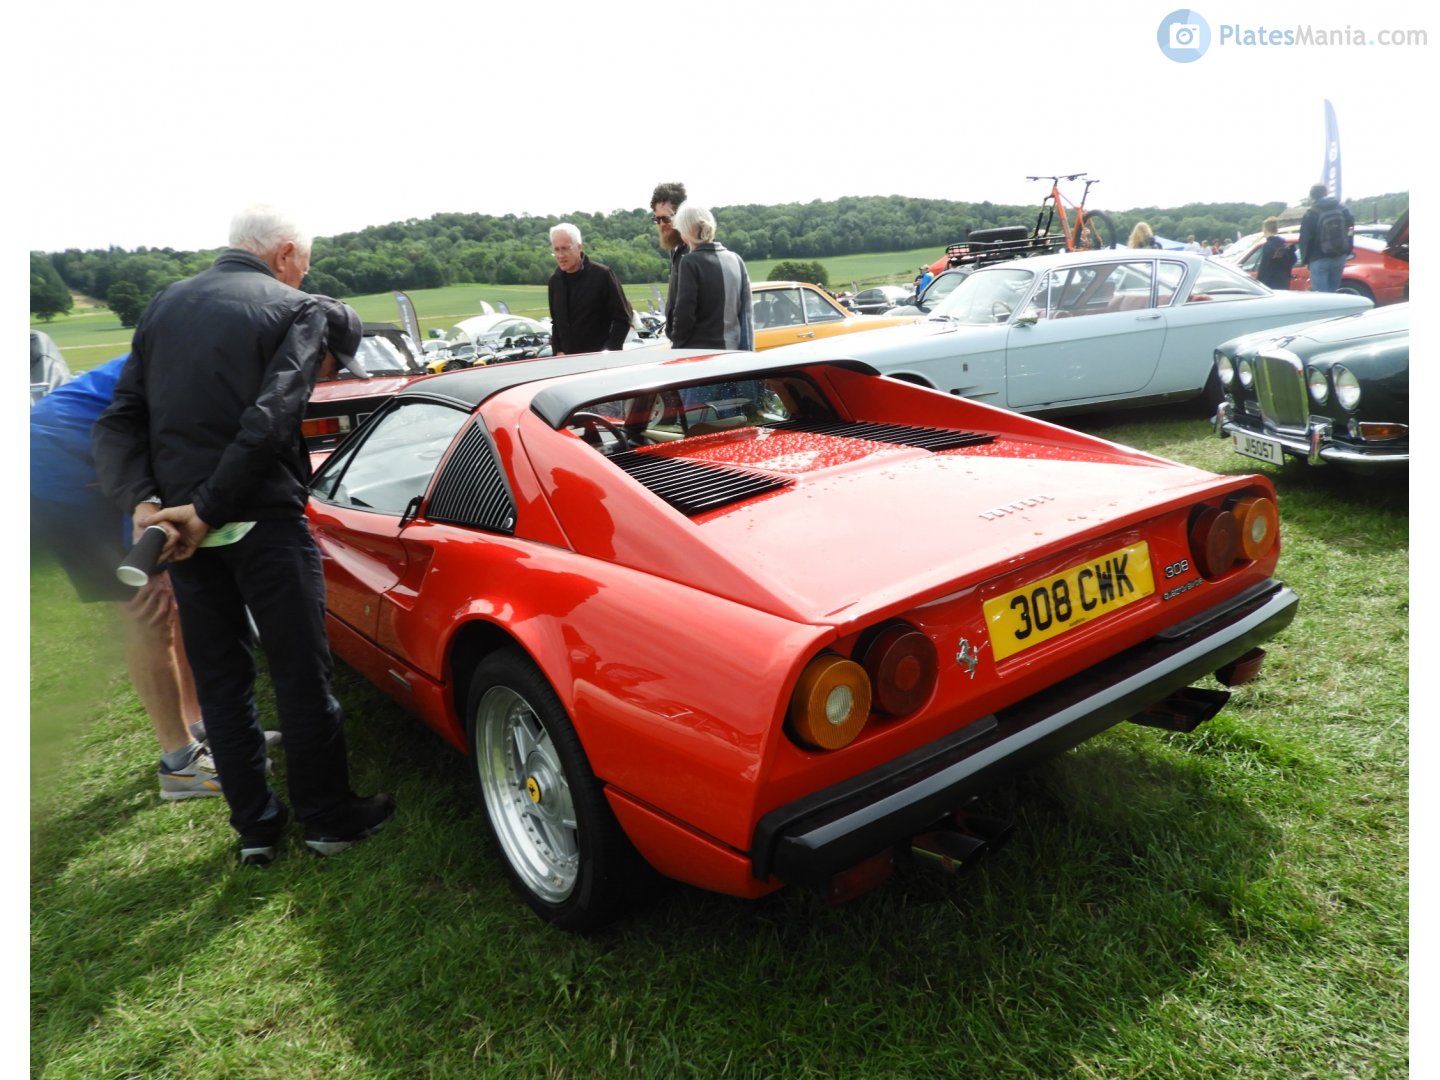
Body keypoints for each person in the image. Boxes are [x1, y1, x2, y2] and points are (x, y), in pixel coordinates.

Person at [92, 204, 394, 867]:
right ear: (286, 253)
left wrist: (147, 506)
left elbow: (121, 418)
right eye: (303, 266)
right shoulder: (293, 306)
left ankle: (255, 829)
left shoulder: (165, 303)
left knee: (223, 680)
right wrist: (209, 506)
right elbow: (273, 415)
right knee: (298, 673)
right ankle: (327, 819)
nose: (301, 277)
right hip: (257, 518)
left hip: (180, 533)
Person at [31, 355, 227, 800]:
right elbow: (148, 465)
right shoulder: (197, 361)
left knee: (172, 598)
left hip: (85, 457)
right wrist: (146, 564)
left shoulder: (203, 345)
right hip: (58, 470)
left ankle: (198, 727)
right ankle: (179, 766)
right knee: (147, 609)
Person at [668, 204, 753, 351]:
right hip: (734, 352)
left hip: (700, 354)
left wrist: (676, 346)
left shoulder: (689, 262)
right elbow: (746, 314)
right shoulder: (736, 259)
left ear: (684, 232)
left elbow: (684, 315)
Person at [546, 223, 635, 355]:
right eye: (556, 250)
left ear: (579, 247)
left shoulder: (602, 275)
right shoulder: (554, 282)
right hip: (566, 363)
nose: (560, 255)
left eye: (565, 249)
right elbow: (556, 323)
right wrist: (558, 351)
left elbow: (623, 318)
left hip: (600, 361)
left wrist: (608, 352)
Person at [1298, 183, 1355, 292]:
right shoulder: (1342, 209)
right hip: (1339, 257)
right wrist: (1348, 248)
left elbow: (1305, 239)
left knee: (1321, 298)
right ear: (1326, 193)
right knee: (1333, 294)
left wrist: (1305, 260)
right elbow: (1351, 228)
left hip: (1318, 259)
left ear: (1312, 197)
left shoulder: (1311, 213)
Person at [650, 181, 689, 337]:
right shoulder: (675, 251)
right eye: (657, 219)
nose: (661, 225)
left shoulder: (693, 251)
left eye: (666, 219)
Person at [1256, 216, 1296, 290]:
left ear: (1265, 230)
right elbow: (1292, 260)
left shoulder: (1268, 246)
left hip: (1270, 284)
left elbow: (1264, 268)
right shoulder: (1284, 244)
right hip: (1284, 282)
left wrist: (1259, 282)